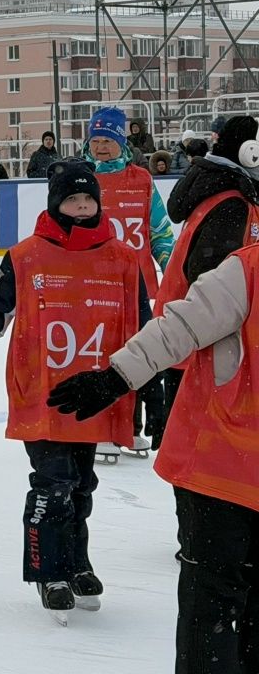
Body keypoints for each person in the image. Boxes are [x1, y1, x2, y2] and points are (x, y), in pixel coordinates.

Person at [0, 159, 150, 621]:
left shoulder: (121, 258)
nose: (81, 207)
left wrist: (149, 380)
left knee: (81, 486)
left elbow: (143, 324)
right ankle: (48, 570)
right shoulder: (27, 256)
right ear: (55, 204)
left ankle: (77, 561)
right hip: (41, 391)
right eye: (72, 200)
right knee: (53, 484)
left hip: (94, 393)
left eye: (88, 199)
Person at [46, 236, 259, 670]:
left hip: (224, 466)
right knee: (213, 604)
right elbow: (179, 326)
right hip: (223, 468)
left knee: (228, 606)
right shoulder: (248, 270)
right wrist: (118, 375)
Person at [84, 106, 175, 457]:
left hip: (138, 285)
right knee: (99, 356)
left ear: (121, 142)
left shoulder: (141, 179)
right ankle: (104, 426)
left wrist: (172, 266)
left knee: (137, 356)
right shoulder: (83, 179)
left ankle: (130, 427)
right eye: (96, 140)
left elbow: (160, 232)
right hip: (96, 285)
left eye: (108, 140)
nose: (101, 147)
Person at [158, 115, 259, 423]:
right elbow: (211, 281)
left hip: (191, 334)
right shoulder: (232, 204)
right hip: (201, 337)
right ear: (249, 152)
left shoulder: (227, 192)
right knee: (199, 435)